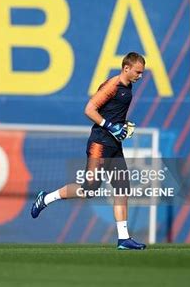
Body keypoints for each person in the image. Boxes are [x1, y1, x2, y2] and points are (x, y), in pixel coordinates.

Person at [31, 52, 147, 250]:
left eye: (142, 72)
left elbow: (111, 113)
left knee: (122, 188)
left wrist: (122, 125)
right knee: (90, 188)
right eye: (138, 71)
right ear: (126, 68)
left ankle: (123, 238)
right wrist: (111, 126)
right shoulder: (112, 86)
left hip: (114, 146)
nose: (140, 76)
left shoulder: (128, 88)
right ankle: (47, 198)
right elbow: (89, 109)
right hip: (100, 144)